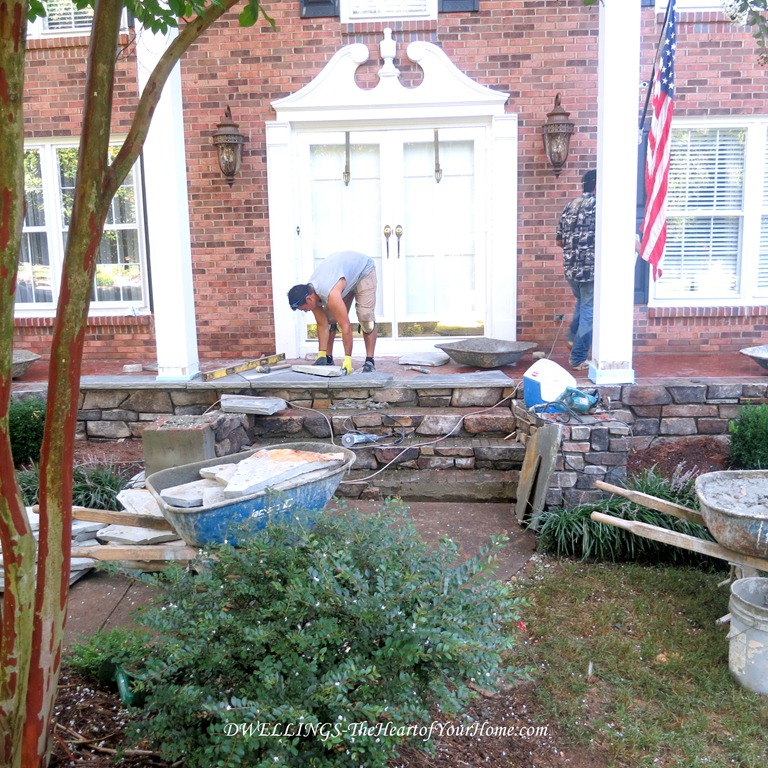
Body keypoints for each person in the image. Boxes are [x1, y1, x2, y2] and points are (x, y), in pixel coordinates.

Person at [287, 250, 378, 374]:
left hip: (363, 271)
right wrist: (321, 355)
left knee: (365, 318)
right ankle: (327, 358)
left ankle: (369, 361)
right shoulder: (310, 292)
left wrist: (347, 359)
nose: (306, 311)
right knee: (329, 320)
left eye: (304, 309)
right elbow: (322, 324)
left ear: (309, 299)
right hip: (344, 278)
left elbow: (345, 326)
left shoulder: (329, 293)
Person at [556, 169, 596, 371]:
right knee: (589, 309)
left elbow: (559, 241)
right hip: (591, 269)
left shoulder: (569, 206)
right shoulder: (600, 207)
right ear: (598, 186)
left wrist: (575, 251)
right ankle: (578, 357)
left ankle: (573, 336)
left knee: (582, 303)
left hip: (571, 268)